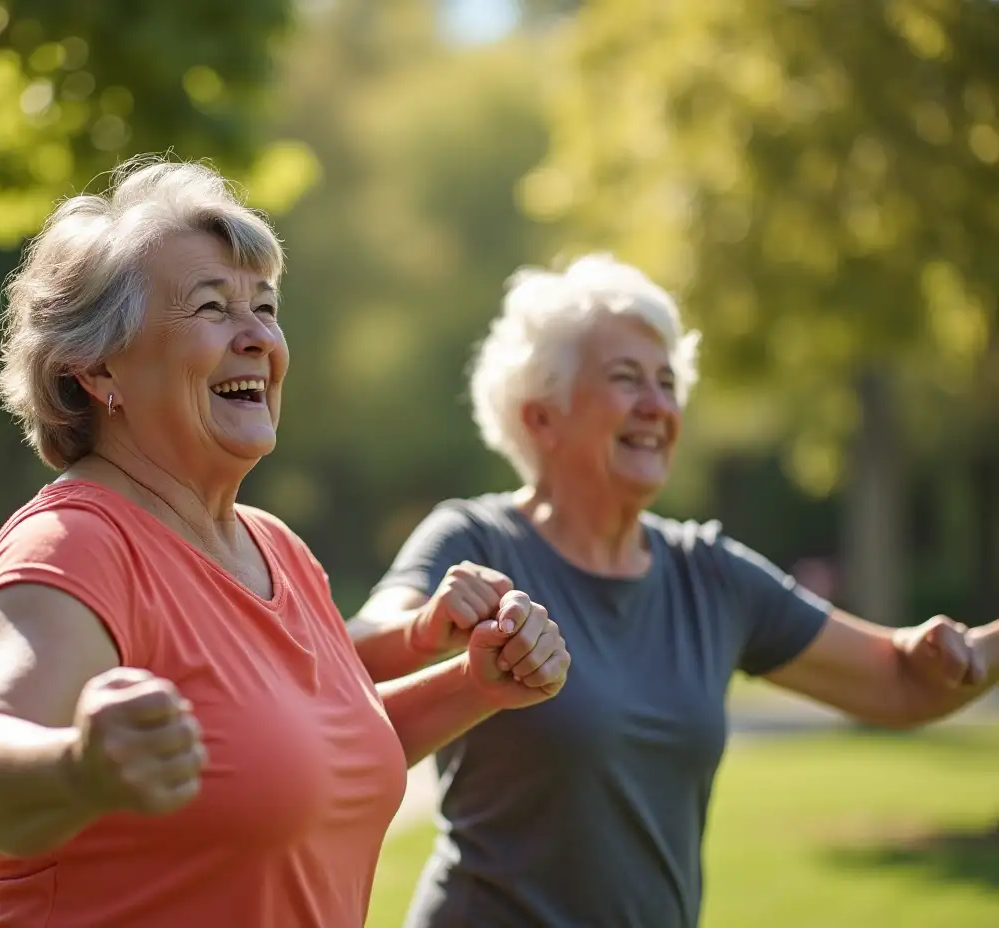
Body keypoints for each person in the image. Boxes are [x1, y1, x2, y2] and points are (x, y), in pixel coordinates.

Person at [0, 155, 572, 928]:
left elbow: (313, 759)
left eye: (264, 307)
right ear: (99, 369)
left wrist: (475, 685)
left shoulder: (275, 548)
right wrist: (81, 767)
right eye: (212, 308)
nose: (257, 337)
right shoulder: (73, 545)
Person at [349, 253, 999, 928]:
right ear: (541, 416)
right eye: (627, 379)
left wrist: (944, 652)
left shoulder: (709, 574)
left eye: (667, 382)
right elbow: (349, 657)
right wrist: (427, 627)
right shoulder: (474, 540)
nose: (658, 406)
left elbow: (904, 683)